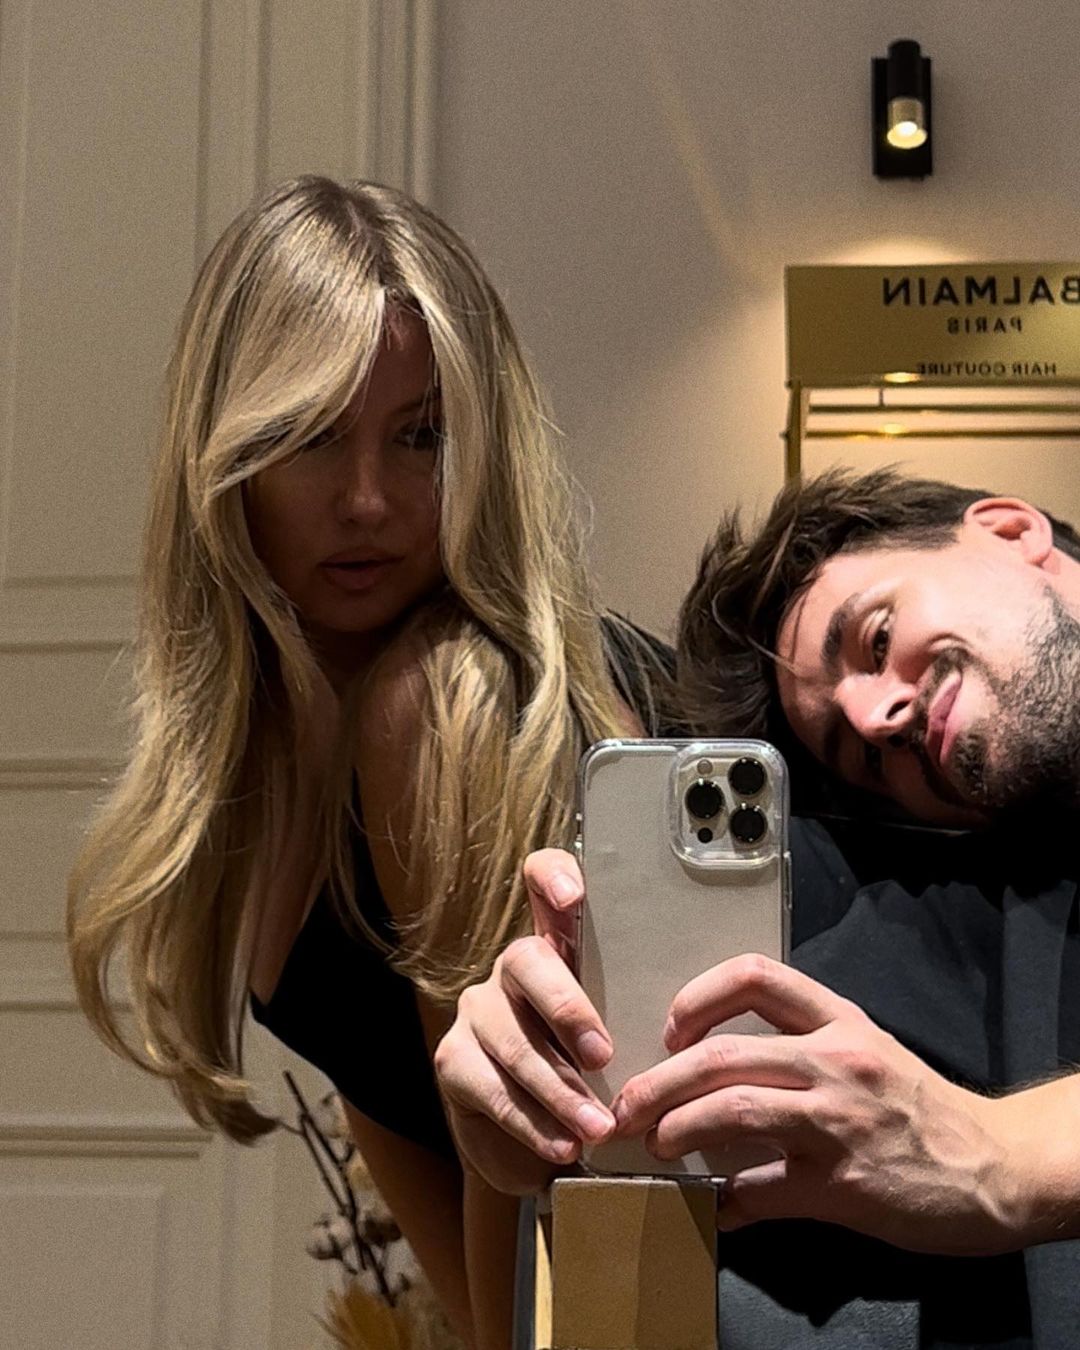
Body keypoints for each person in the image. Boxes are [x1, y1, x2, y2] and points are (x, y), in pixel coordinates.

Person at [65, 175, 667, 1349]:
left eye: (420, 436)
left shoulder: (440, 703)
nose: (368, 500)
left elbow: (530, 1177)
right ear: (225, 454)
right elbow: (405, 1110)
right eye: (309, 437)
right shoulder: (280, 726)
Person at [434, 468, 1080, 1347]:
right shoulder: (955, 908)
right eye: (863, 759)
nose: (878, 716)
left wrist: (1002, 1158)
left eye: (875, 637)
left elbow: (983, 1158)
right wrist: (537, 1111)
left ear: (1008, 530)